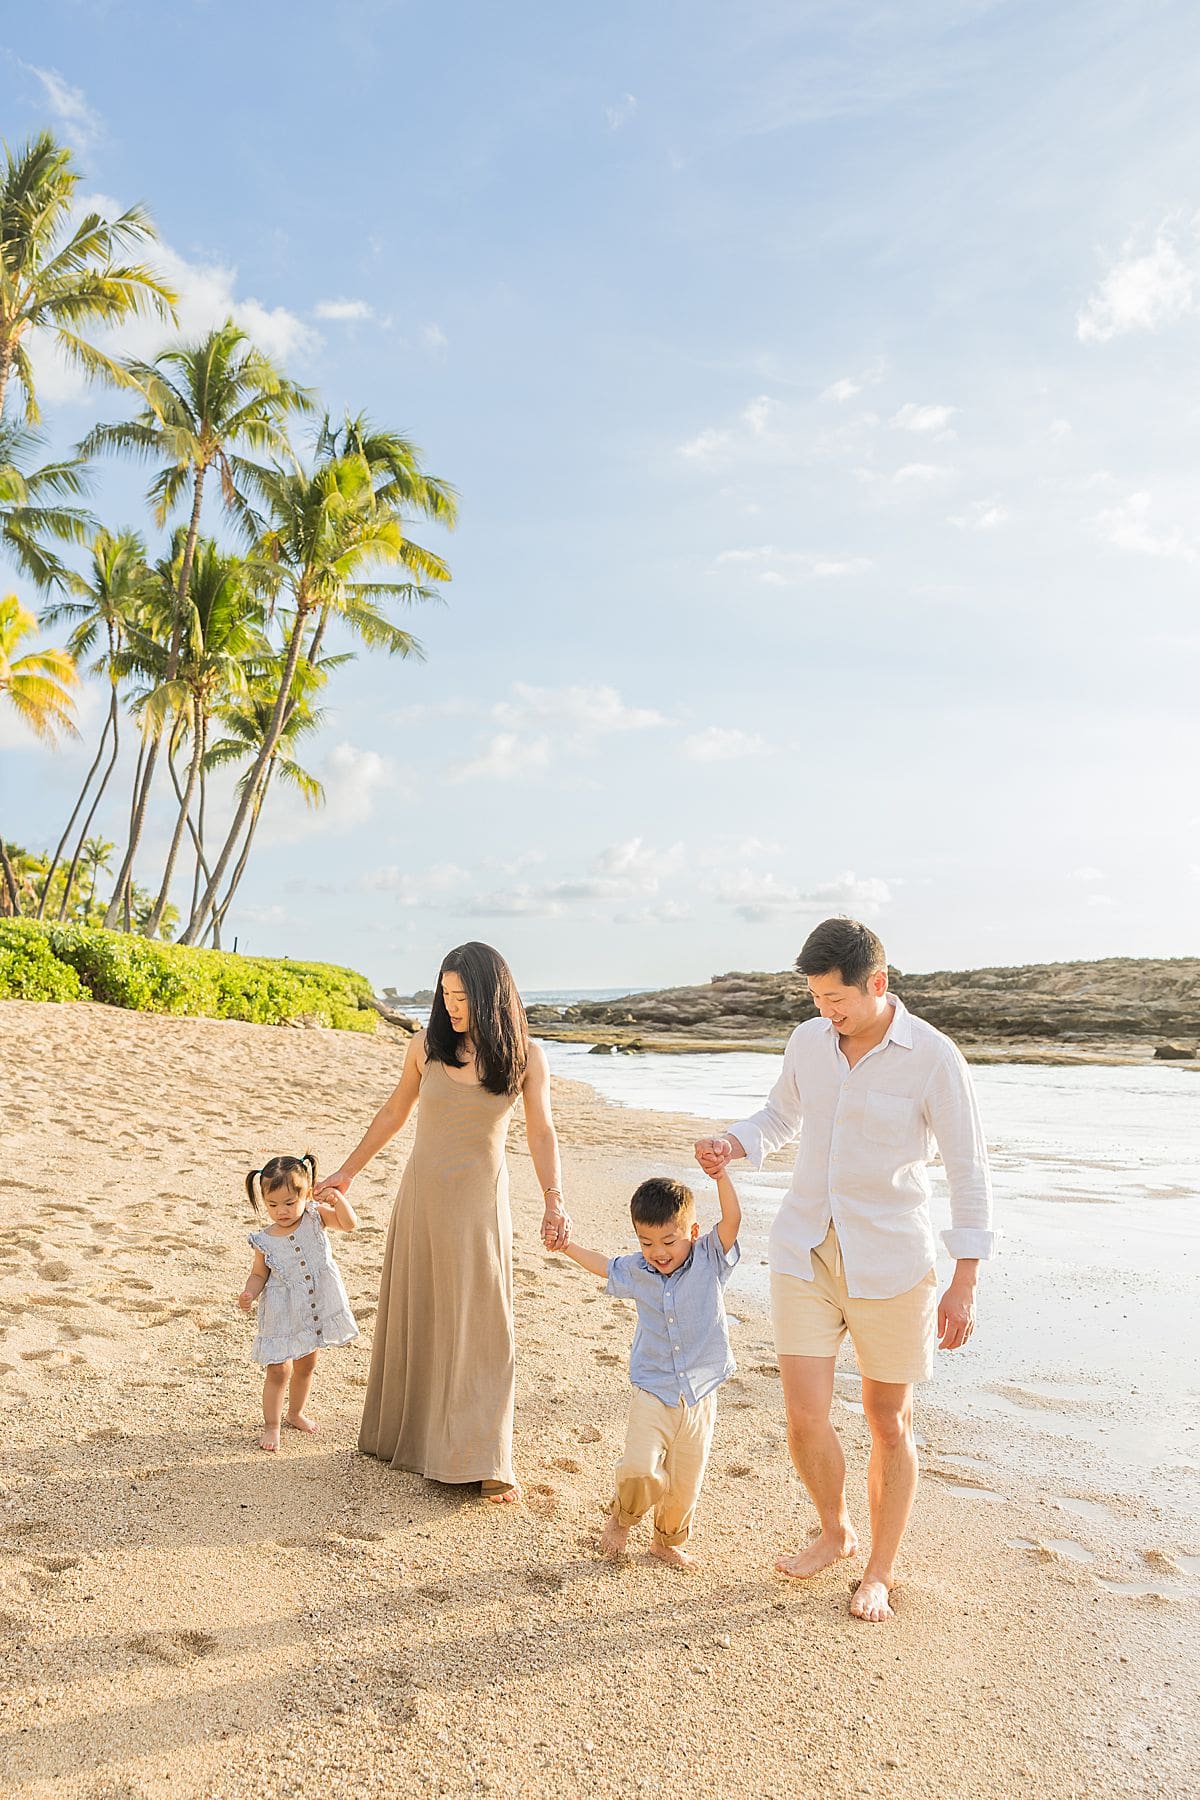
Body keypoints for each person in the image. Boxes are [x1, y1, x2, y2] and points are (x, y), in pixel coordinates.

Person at [695, 917, 994, 1623]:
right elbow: (779, 1115)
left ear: (878, 984)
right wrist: (733, 1143)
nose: (825, 1012)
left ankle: (880, 1572)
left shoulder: (934, 1057)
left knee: (887, 1420)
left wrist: (965, 1280)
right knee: (803, 1414)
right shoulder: (808, 1042)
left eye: (837, 999)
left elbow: (968, 1170)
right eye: (816, 998)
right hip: (805, 1249)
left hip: (892, 1261)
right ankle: (834, 1529)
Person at [316, 942, 569, 1504]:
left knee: (485, 1326)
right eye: (445, 995)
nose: (452, 1007)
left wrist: (554, 1199)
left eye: (462, 996)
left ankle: (483, 1458)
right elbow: (393, 1112)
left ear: (489, 993)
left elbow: (542, 1132)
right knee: (424, 1313)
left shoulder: (527, 1055)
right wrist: (346, 1172)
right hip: (423, 1198)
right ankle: (419, 1442)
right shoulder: (425, 1047)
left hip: (480, 1205)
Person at [555, 1165, 741, 1569]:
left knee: (685, 1484)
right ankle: (622, 1519)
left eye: (668, 1241)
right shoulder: (639, 1271)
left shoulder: (710, 1258)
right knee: (640, 1466)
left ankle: (666, 1541)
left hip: (700, 1395)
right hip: (653, 1389)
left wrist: (721, 1175)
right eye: (646, 1242)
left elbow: (732, 1220)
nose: (658, 1252)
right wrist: (566, 1247)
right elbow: (604, 1266)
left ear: (692, 1233)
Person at [238, 1152, 360, 1452]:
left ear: (306, 1194)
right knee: (279, 1370)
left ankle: (295, 1413)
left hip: (313, 1306)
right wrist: (249, 1293)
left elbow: (349, 1224)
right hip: (282, 1312)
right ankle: (272, 1425)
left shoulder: (315, 1218)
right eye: (273, 1205)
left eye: (289, 1203)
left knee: (307, 1364)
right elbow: (258, 1274)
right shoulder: (264, 1240)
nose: (281, 1211)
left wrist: (336, 1199)